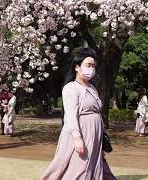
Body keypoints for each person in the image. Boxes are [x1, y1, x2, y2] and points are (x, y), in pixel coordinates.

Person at [41, 48, 116, 180]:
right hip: (81, 133)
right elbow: (70, 115)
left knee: (94, 166)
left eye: (93, 66)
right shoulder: (71, 88)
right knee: (80, 168)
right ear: (77, 67)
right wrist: (77, 139)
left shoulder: (92, 88)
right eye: (88, 65)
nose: (91, 69)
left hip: (94, 135)